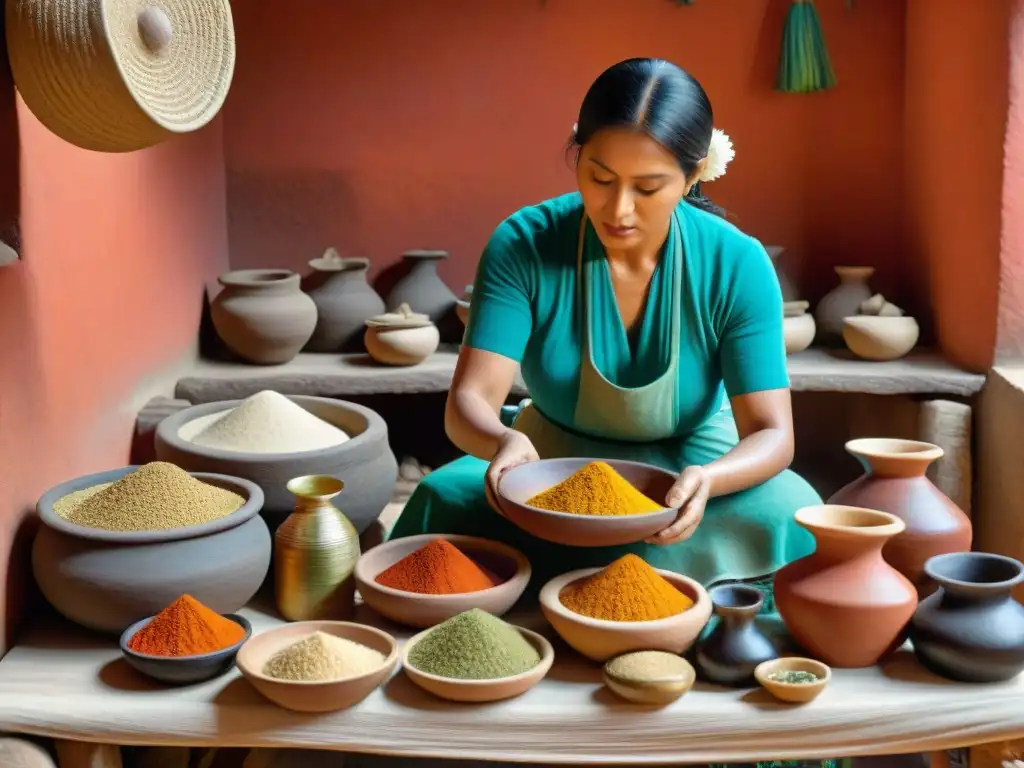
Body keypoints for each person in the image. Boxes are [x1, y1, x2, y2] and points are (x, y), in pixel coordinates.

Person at [388, 57, 822, 611]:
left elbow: (771, 435)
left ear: (694, 176)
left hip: (688, 467)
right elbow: (470, 400)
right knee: (440, 496)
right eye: (599, 177)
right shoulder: (524, 244)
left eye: (648, 187)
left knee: (791, 511)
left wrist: (709, 481)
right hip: (548, 466)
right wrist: (503, 441)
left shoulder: (737, 262)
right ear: (577, 153)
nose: (618, 209)